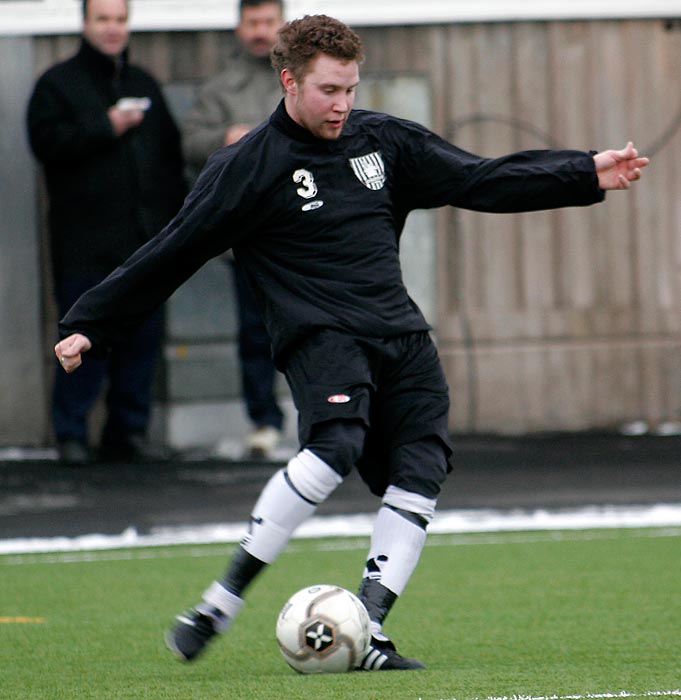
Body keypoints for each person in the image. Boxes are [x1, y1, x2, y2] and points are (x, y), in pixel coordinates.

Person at [53, 15, 648, 669]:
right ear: (289, 81)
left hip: (399, 334)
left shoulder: (380, 139)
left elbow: (476, 179)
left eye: (350, 90)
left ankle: (367, 628)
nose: (342, 105)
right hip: (320, 336)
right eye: (329, 90)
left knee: (422, 470)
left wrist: (582, 172)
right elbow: (173, 249)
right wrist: (92, 323)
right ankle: (217, 604)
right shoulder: (247, 166)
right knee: (335, 446)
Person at [27, 0, 187, 464]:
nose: (113, 29)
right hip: (84, 244)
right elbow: (45, 144)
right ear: (84, 24)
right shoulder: (58, 85)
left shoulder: (143, 84)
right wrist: (105, 126)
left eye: (120, 19)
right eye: (104, 19)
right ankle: (71, 434)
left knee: (141, 341)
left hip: (144, 245)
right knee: (80, 337)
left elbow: (170, 161)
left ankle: (127, 433)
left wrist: (170, 227)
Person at [183, 0, 286, 460]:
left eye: (269, 22)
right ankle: (264, 420)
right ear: (239, 27)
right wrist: (224, 137)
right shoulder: (220, 89)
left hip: (302, 227)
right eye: (254, 22)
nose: (261, 31)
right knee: (255, 332)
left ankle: (327, 413)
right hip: (249, 234)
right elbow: (189, 142)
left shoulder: (300, 77)